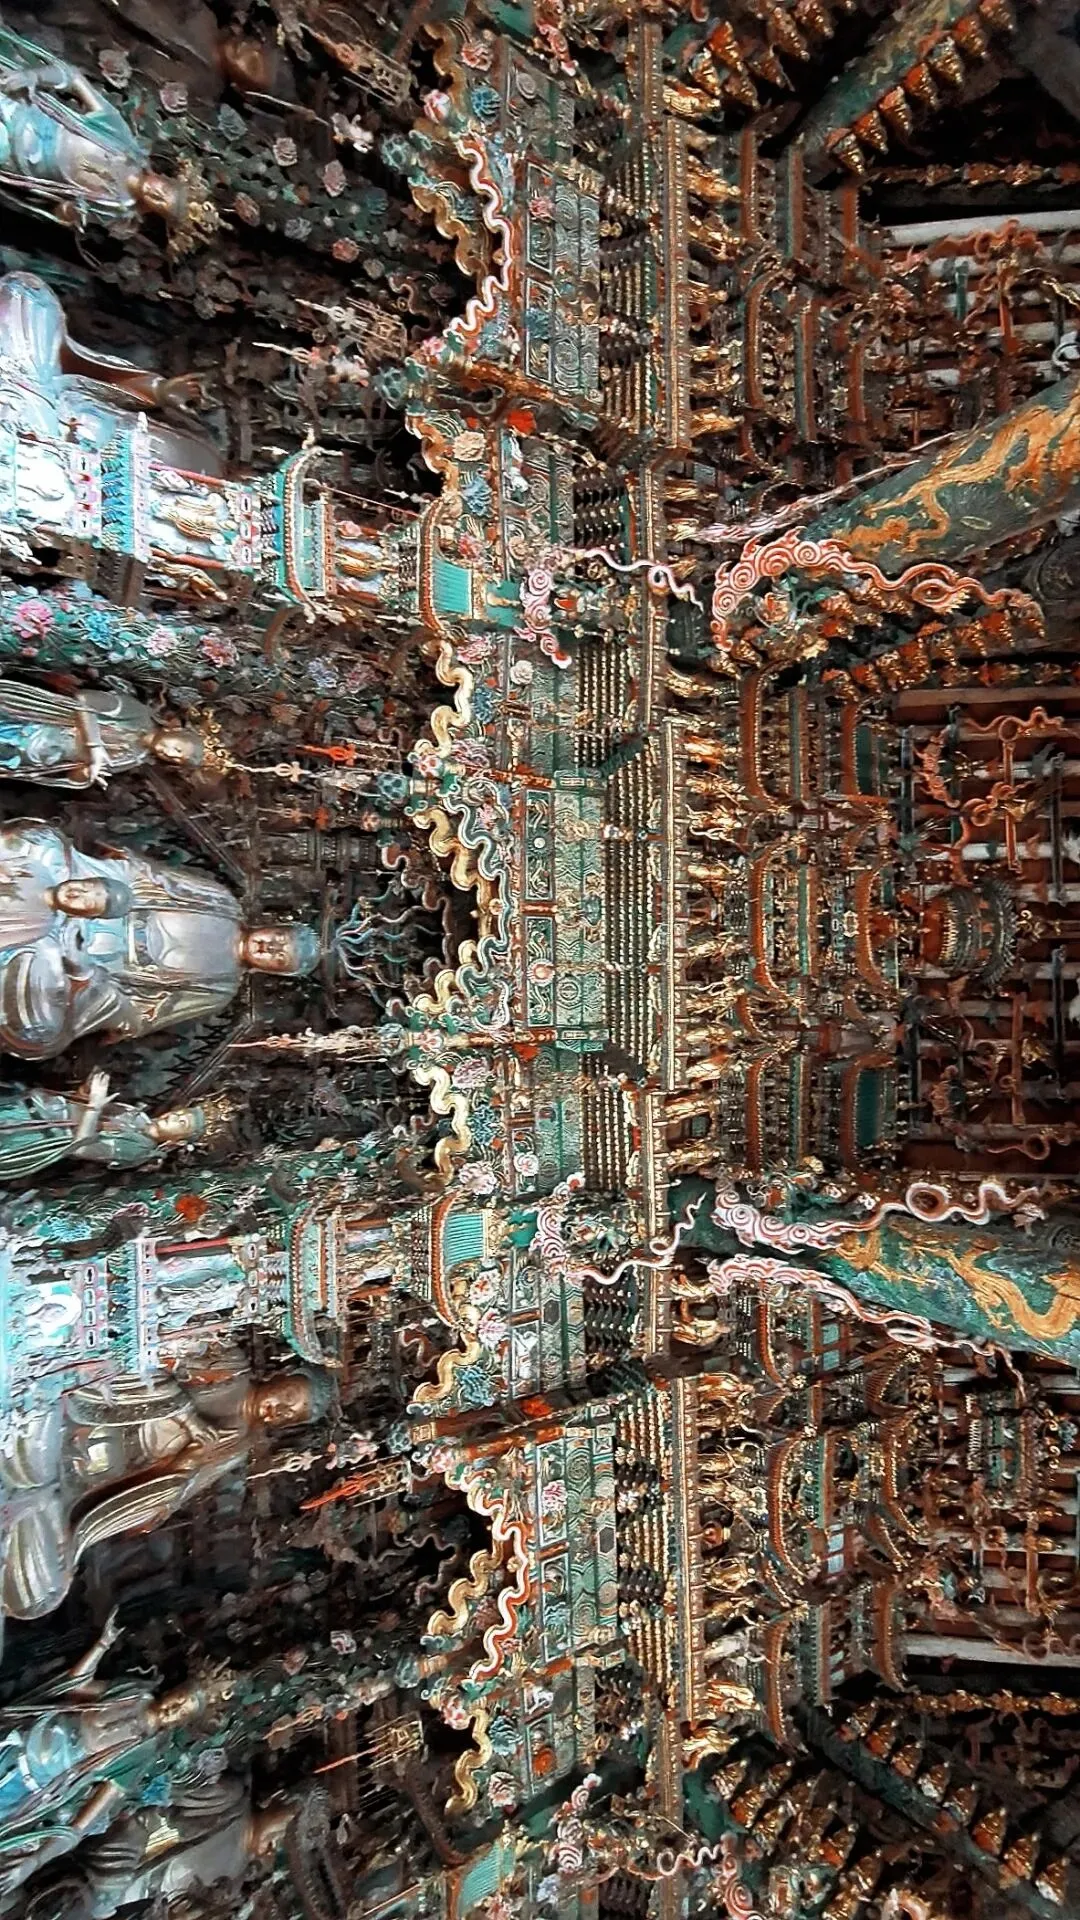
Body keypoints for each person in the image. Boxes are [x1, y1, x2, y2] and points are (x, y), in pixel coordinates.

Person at [0, 820, 319, 1058]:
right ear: (275, 925)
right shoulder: (223, 902)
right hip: (92, 906)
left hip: (81, 969)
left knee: (40, 1032)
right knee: (38, 841)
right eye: (280, 938)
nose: (270, 946)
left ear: (274, 971)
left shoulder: (220, 990)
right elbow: (147, 879)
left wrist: (83, 971)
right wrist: (102, 893)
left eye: (280, 956)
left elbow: (138, 1013)